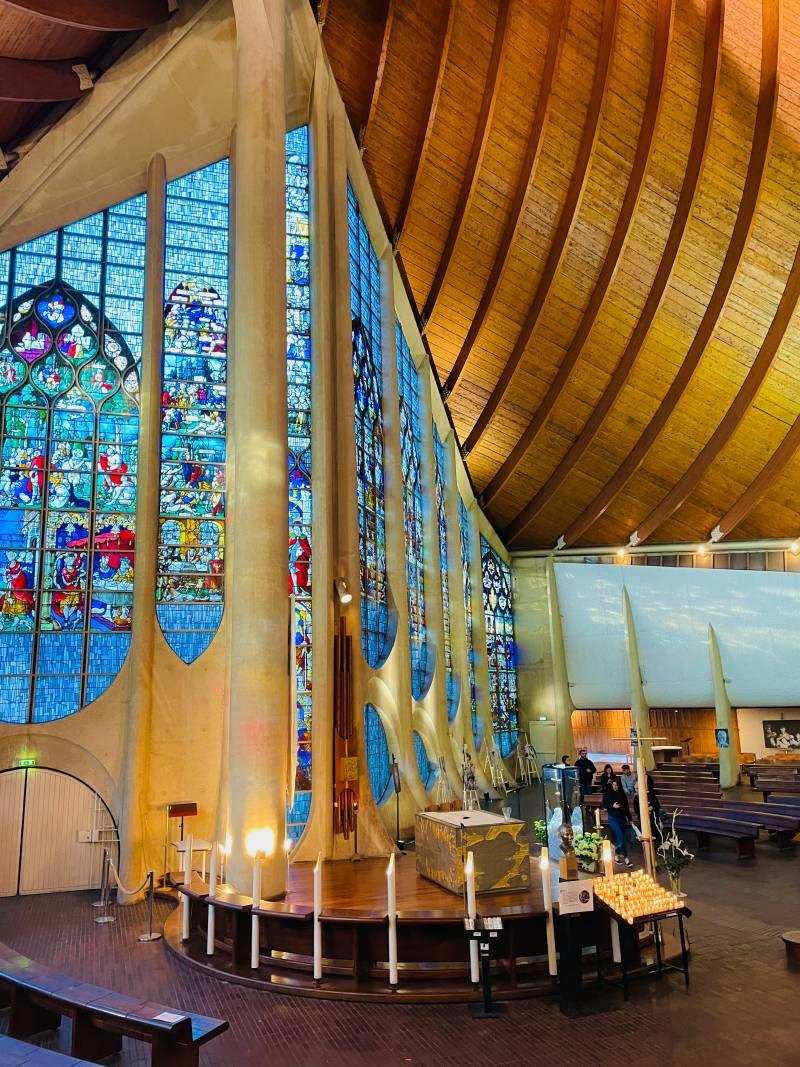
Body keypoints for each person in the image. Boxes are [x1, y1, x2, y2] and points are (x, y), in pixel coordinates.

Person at [603, 778, 633, 866]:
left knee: (620, 838)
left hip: (622, 818)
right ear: (611, 785)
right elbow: (603, 805)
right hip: (612, 819)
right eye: (614, 785)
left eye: (617, 785)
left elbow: (626, 807)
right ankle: (626, 858)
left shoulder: (622, 794)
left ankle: (616, 856)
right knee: (621, 836)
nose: (615, 787)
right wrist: (612, 806)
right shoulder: (608, 793)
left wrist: (630, 819)